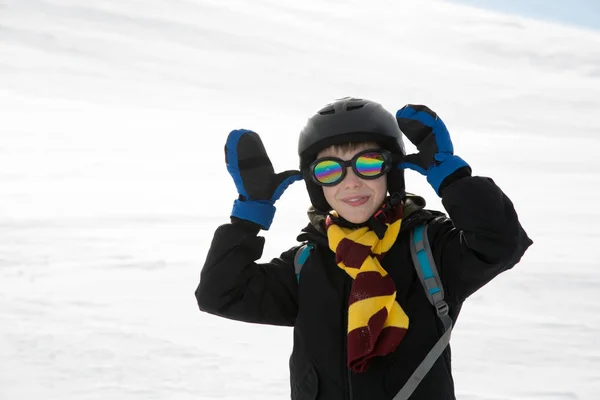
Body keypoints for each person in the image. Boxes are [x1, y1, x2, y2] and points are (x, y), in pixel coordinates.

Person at [195, 97, 532, 400]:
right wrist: (248, 218)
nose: (351, 182)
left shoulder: (429, 247)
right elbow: (220, 293)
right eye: (330, 170)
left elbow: (500, 244)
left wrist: (454, 180)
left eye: (368, 164)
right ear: (316, 184)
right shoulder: (307, 262)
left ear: (392, 172)